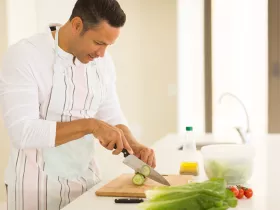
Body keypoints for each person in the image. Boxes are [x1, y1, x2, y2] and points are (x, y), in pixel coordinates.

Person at [0, 0, 156, 209]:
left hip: (88, 188)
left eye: (108, 46)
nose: (102, 54)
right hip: (35, 193)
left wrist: (132, 143)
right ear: (76, 25)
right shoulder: (25, 55)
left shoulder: (103, 63)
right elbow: (23, 132)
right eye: (99, 43)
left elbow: (111, 113)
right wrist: (90, 125)